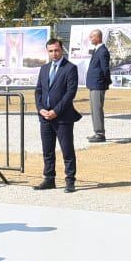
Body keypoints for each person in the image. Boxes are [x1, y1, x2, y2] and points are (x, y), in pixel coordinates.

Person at [33, 36, 82, 193]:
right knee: (47, 150)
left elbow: (70, 93)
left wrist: (56, 111)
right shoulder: (44, 69)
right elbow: (39, 91)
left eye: (57, 50)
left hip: (62, 117)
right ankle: (49, 179)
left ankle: (70, 180)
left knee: (67, 150)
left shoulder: (70, 68)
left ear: (62, 50)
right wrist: (41, 109)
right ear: (47, 52)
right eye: (51, 51)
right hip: (45, 117)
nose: (54, 53)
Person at [85, 27, 112, 143]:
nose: (90, 38)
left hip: (98, 84)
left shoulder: (103, 51)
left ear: (98, 37)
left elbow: (105, 68)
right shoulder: (97, 50)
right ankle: (97, 131)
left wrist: (106, 81)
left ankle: (100, 133)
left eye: (92, 36)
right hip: (93, 84)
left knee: (97, 109)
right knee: (94, 109)